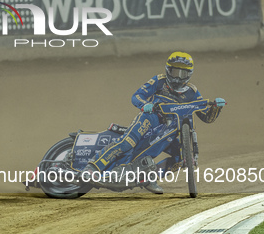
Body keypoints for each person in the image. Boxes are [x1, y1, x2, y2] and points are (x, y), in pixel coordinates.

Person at [79, 52, 225, 194]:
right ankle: (92, 168)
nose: (177, 77)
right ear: (168, 70)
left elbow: (207, 117)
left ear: (189, 74)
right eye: (174, 72)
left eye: (182, 74)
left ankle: (148, 177)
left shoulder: (193, 92)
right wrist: (144, 105)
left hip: (173, 129)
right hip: (150, 118)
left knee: (181, 159)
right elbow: (137, 96)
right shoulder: (159, 81)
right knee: (127, 142)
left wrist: (216, 108)